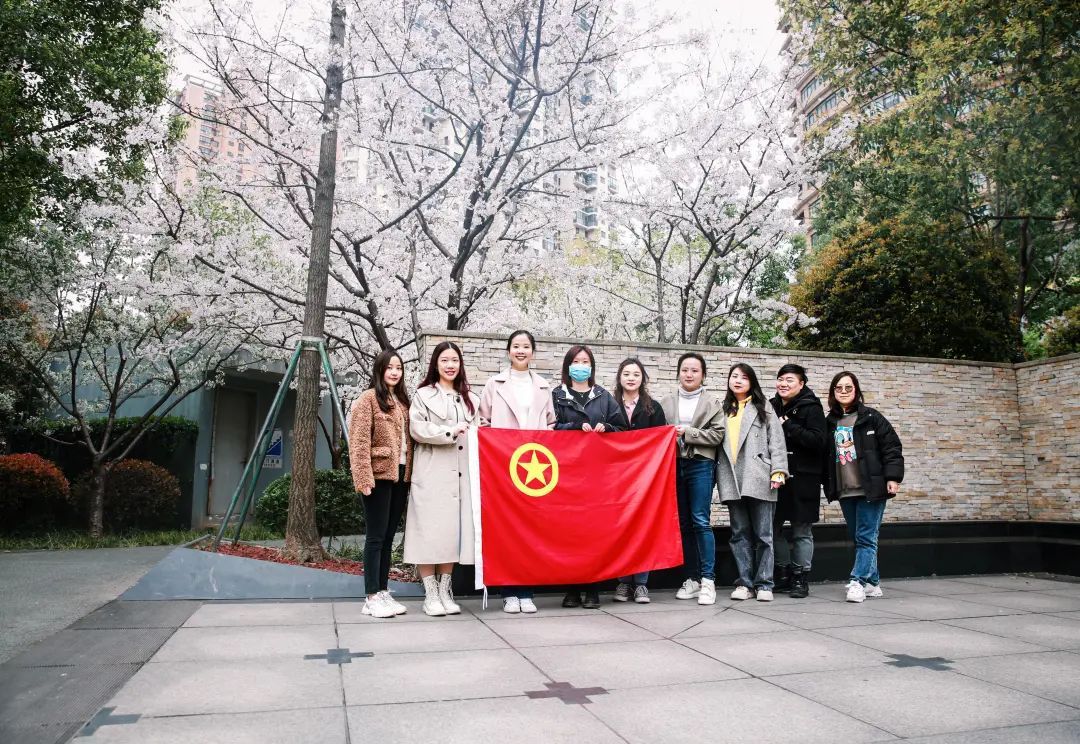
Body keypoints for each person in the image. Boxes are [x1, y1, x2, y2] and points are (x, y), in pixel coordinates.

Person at [478, 330, 556, 614]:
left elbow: (551, 423)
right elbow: (483, 422)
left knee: (531, 528)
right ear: (508, 351)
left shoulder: (544, 386)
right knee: (506, 527)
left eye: (525, 346)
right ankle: (509, 592)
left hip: (535, 467)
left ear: (533, 351)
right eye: (516, 346)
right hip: (504, 466)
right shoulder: (494, 384)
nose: (520, 351)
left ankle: (526, 591)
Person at [405, 341, 481, 616]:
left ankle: (445, 589)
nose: (450, 365)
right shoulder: (423, 395)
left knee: (452, 533)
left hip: (461, 476)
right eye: (445, 360)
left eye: (455, 360)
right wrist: (448, 432)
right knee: (428, 532)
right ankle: (431, 594)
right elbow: (417, 428)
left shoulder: (470, 398)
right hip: (432, 472)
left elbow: (479, 432)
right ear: (435, 364)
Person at [552, 344, 623, 609]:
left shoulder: (603, 396)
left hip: (597, 475)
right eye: (576, 361)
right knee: (568, 532)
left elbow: (622, 429)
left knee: (594, 532)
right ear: (567, 366)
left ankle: (593, 588)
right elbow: (548, 429)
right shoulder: (556, 395)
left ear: (592, 367)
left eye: (585, 362)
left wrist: (608, 428)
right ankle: (572, 588)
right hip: (567, 474)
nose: (581, 366)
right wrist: (572, 427)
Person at [825, 370, 904, 603]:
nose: (844, 391)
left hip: (871, 487)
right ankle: (873, 583)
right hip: (845, 489)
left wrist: (893, 477)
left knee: (866, 537)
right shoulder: (830, 422)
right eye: (839, 388)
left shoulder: (871, 417)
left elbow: (891, 447)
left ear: (856, 390)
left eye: (848, 387)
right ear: (833, 392)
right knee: (858, 537)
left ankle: (857, 581)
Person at [348, 349, 413, 619]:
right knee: (375, 537)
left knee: (388, 537)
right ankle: (371, 597)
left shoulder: (402, 402)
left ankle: (383, 591)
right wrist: (363, 477)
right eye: (390, 367)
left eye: (399, 368)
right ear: (380, 370)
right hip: (378, 475)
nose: (395, 372)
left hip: (401, 475)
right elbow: (359, 441)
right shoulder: (368, 399)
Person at [716, 363, 789, 602]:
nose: (737, 380)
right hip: (731, 477)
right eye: (734, 376)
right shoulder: (723, 409)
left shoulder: (763, 406)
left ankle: (765, 583)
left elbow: (777, 440)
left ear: (752, 382)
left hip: (759, 475)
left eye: (744, 377)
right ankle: (744, 583)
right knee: (739, 534)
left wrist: (778, 471)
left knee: (764, 534)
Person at [660, 352, 725, 605]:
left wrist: (689, 432)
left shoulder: (712, 402)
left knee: (700, 520)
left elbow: (717, 435)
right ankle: (692, 579)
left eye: (695, 370)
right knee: (684, 524)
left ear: (703, 375)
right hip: (674, 465)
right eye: (685, 370)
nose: (689, 374)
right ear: (678, 373)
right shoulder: (666, 402)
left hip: (701, 464)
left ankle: (708, 580)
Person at [610, 357, 667, 604]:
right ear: (619, 377)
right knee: (621, 528)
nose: (631, 378)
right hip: (616, 478)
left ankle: (641, 583)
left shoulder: (654, 408)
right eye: (626, 374)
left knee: (643, 528)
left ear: (643, 378)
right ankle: (623, 582)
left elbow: (659, 441)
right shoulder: (609, 405)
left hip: (645, 478)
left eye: (636, 374)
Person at [770, 364, 828, 598]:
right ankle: (783, 574)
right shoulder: (770, 406)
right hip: (776, 478)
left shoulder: (811, 407)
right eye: (780, 379)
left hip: (804, 478)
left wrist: (788, 425)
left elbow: (818, 441)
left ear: (801, 384)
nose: (783, 384)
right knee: (771, 529)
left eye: (789, 380)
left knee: (801, 531)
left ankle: (800, 578)